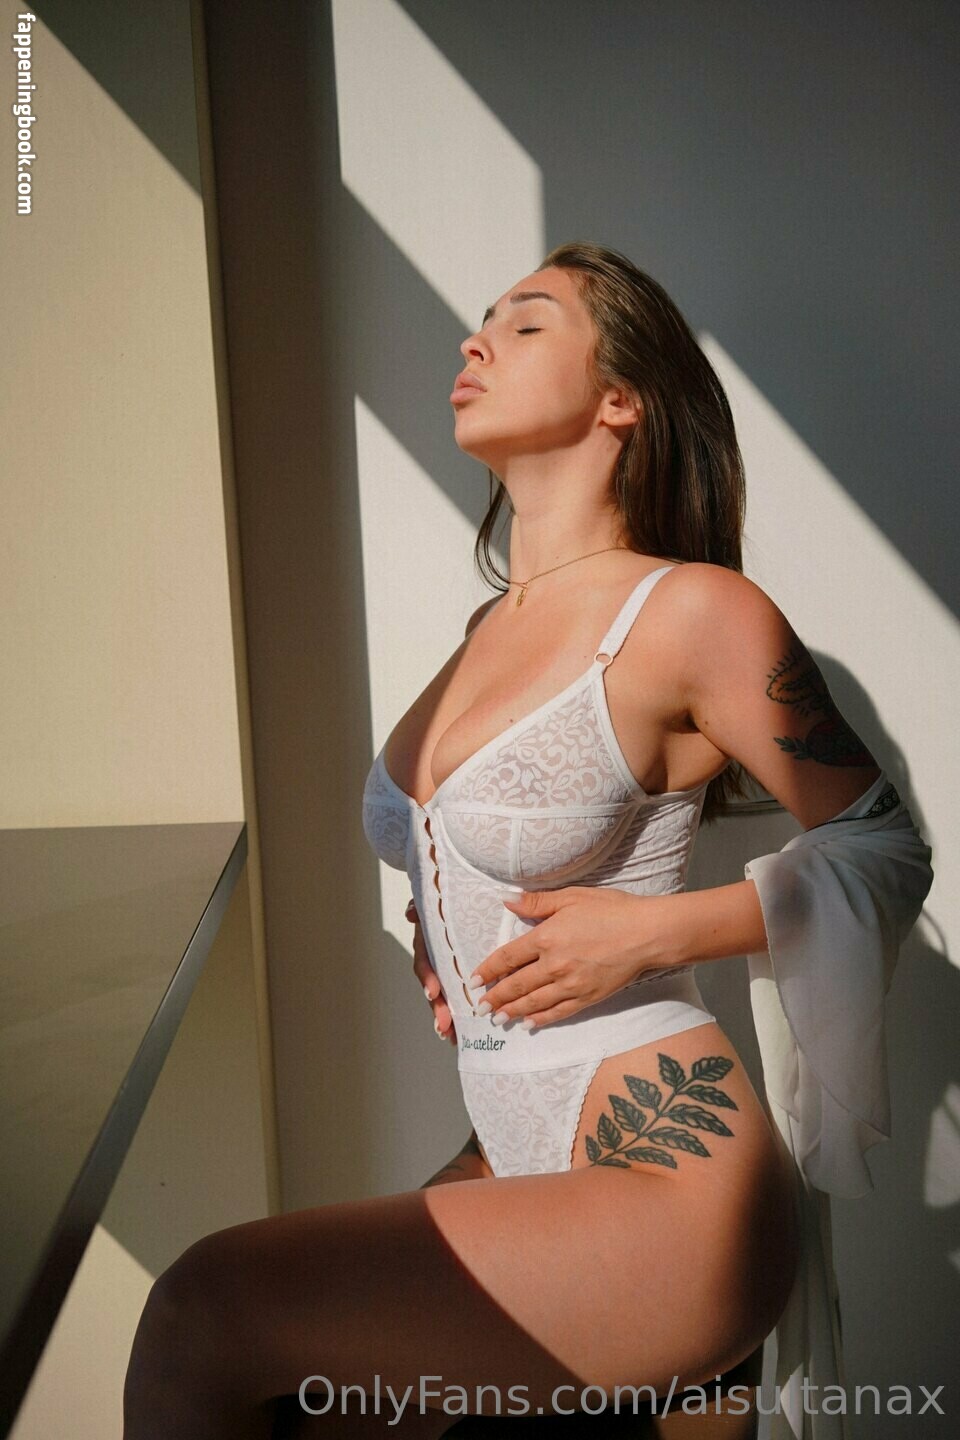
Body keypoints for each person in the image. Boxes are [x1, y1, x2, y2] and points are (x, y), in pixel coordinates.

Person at [123, 243, 933, 1440]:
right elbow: (466, 845)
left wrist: (648, 935)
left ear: (622, 398)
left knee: (203, 1313)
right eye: (482, 320)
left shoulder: (691, 612)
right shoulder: (483, 629)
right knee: (288, 1408)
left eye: (527, 322)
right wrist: (439, 926)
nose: (474, 340)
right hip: (501, 1133)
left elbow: (885, 848)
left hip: (666, 1167)